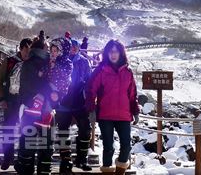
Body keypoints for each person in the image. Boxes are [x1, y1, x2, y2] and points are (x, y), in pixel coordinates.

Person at [86, 40, 139, 175]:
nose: (113, 54)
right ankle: (108, 171)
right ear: (106, 53)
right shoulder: (101, 70)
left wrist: (135, 111)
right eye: (110, 51)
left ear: (121, 53)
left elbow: (132, 94)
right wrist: (91, 109)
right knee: (108, 148)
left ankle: (120, 172)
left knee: (126, 146)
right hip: (106, 115)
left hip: (124, 115)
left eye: (116, 51)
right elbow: (91, 90)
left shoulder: (128, 72)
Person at [14, 37, 52, 175]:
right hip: (35, 107)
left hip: (34, 107)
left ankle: (26, 169)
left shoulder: (33, 63)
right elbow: (32, 86)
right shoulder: (37, 64)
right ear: (41, 49)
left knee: (29, 141)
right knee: (42, 143)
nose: (48, 50)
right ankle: (34, 169)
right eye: (47, 48)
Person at [0, 38, 32, 170]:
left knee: (25, 130)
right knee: (8, 130)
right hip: (11, 101)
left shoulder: (32, 62)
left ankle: (21, 159)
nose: (28, 54)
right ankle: (7, 157)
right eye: (26, 50)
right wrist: (1, 99)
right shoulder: (10, 61)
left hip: (27, 102)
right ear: (20, 49)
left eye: (30, 51)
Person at [55, 39, 93, 173]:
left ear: (78, 48)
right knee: (63, 131)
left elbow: (89, 81)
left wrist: (89, 99)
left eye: (75, 47)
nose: (73, 49)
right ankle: (65, 160)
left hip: (79, 101)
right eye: (70, 47)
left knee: (85, 129)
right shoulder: (60, 60)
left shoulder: (84, 61)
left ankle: (82, 159)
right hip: (62, 102)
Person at [24, 42, 73, 128]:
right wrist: (42, 72)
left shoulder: (65, 62)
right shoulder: (51, 60)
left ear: (59, 52)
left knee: (48, 100)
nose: (53, 53)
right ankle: (36, 109)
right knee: (42, 94)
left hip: (58, 86)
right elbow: (47, 68)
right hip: (50, 83)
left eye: (55, 51)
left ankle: (46, 119)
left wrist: (56, 66)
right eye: (52, 51)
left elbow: (66, 74)